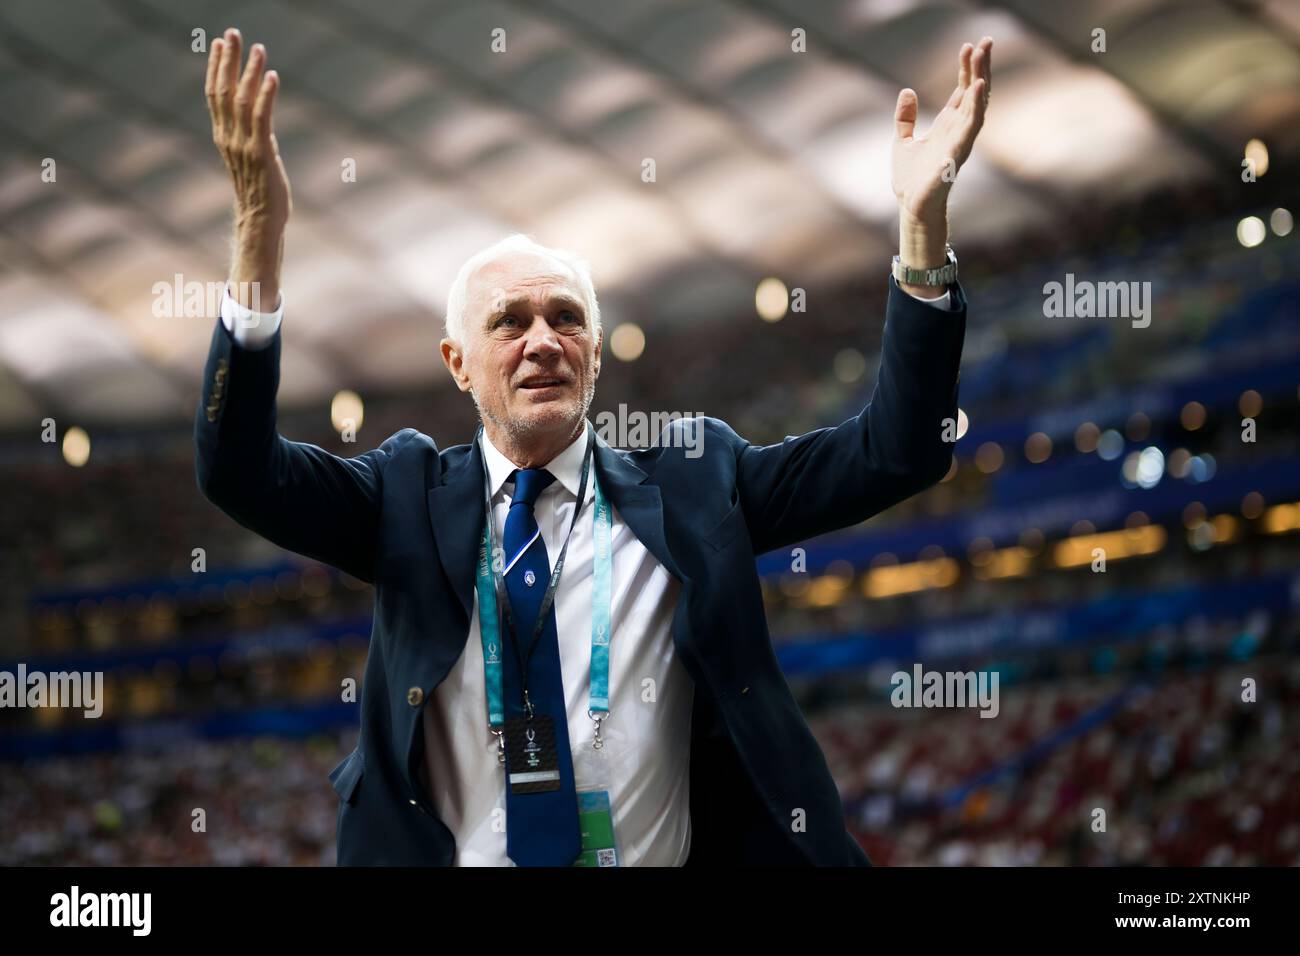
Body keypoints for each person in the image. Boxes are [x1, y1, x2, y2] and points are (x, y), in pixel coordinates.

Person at [196, 26, 991, 866]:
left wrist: (920, 232)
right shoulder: (403, 498)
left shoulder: (696, 480)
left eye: (566, 317)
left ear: (596, 354)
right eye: (510, 322)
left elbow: (899, 451)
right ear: (457, 365)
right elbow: (239, 471)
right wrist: (257, 239)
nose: (543, 340)